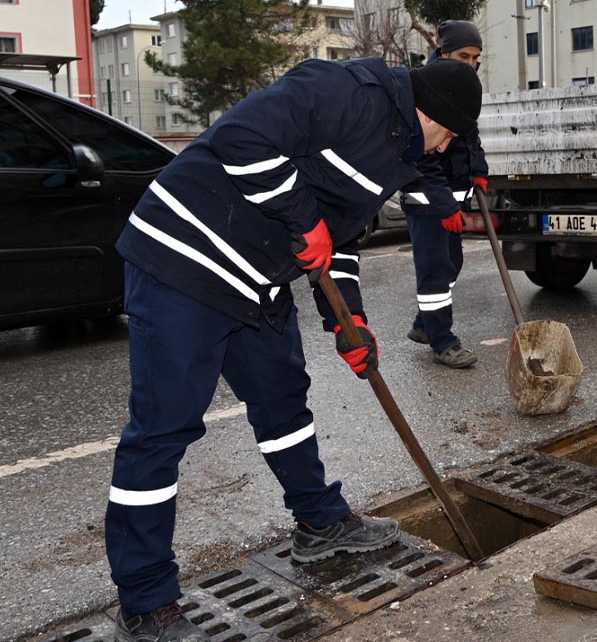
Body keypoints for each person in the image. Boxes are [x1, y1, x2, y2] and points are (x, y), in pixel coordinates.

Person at [107, 55, 482, 641]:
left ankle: (320, 521)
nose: (442, 149)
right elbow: (241, 137)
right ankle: (146, 599)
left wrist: (350, 323)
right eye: (450, 135)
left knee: (285, 406)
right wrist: (302, 217)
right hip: (185, 260)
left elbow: (340, 242)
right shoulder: (345, 90)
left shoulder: (400, 152)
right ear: (431, 113)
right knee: (162, 432)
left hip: (258, 277)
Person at [401, 21, 489, 369]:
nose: (470, 63)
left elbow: (471, 136)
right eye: (464, 55)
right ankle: (443, 342)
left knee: (453, 263)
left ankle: (424, 324)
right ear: (445, 52)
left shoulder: (463, 83)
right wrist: (443, 204)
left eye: (476, 58)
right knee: (436, 271)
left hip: (453, 199)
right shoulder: (429, 88)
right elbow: (422, 157)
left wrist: (478, 171)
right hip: (429, 202)